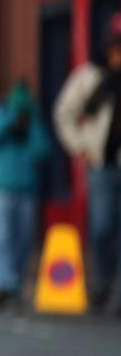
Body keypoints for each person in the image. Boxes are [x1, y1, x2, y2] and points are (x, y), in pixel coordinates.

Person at [54, 16, 121, 313]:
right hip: (102, 165)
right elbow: (64, 113)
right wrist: (80, 146)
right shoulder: (91, 78)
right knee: (103, 226)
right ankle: (103, 280)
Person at [0, 82, 53, 310]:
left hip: (25, 188)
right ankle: (0, 285)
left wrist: (29, 125)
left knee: (21, 240)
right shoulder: (0, 113)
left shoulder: (33, 122)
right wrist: (10, 118)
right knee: (0, 238)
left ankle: (16, 285)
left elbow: (43, 149)